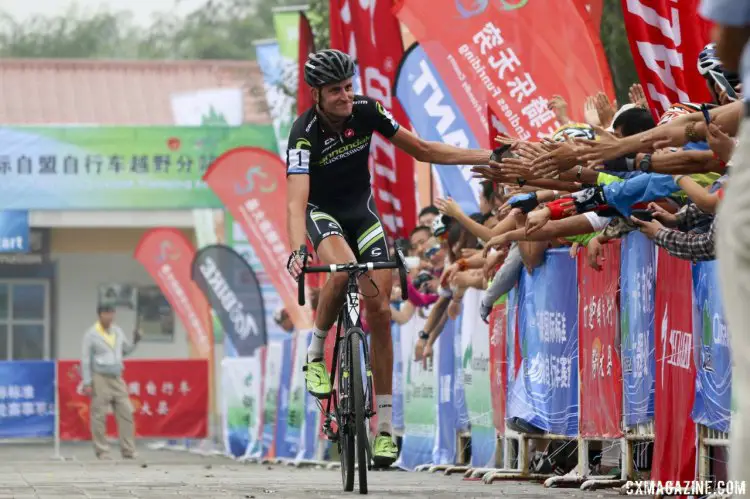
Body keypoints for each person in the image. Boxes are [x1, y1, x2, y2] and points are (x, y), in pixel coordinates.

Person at [285, 48, 496, 467]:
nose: (346, 97)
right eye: (335, 92)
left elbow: (421, 149)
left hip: (361, 212)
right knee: (343, 272)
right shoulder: (304, 132)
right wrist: (296, 249)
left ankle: (382, 429)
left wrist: (486, 157)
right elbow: (296, 201)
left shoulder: (367, 111)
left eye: (349, 87)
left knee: (379, 311)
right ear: (316, 95)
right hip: (320, 213)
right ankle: (315, 353)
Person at [81, 305, 141, 460]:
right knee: (99, 415)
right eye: (106, 313)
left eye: (112, 313)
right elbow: (86, 360)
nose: (110, 316)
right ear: (100, 315)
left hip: (117, 377)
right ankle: (102, 450)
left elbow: (125, 350)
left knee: (126, 411)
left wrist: (135, 340)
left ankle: (128, 449)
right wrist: (87, 382)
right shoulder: (91, 334)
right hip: (100, 377)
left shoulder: (117, 331)